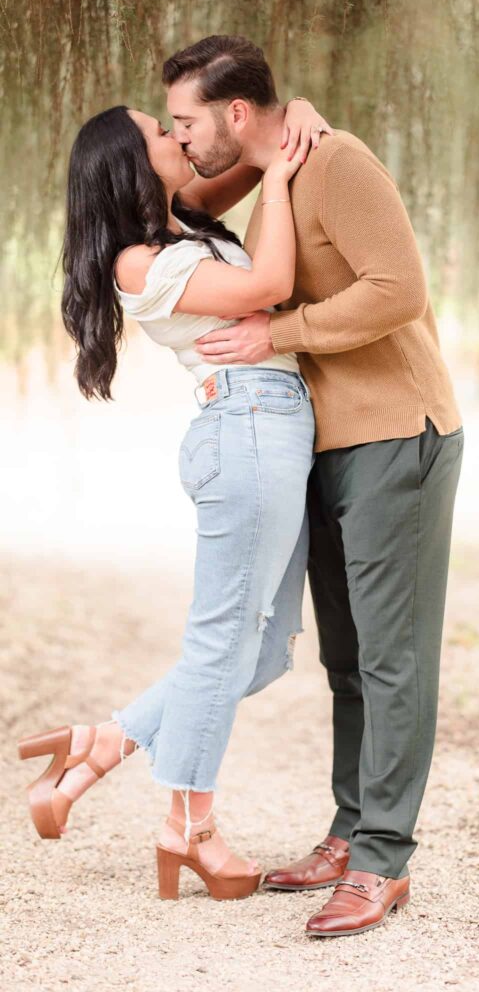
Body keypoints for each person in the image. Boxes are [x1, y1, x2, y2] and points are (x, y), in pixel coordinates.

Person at [166, 35, 466, 936]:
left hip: (394, 436)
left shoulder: (334, 162)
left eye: (187, 121)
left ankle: (382, 859)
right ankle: (349, 829)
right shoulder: (276, 177)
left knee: (390, 657)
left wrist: (280, 334)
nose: (181, 140)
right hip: (325, 448)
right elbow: (181, 196)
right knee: (346, 662)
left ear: (237, 113)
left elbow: (398, 289)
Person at [18, 79, 332, 901]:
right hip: (247, 425)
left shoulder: (182, 220)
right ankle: (188, 827)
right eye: (163, 130)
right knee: (224, 636)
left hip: (274, 427)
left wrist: (289, 119)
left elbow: (257, 154)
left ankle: (104, 743)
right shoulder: (138, 262)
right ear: (132, 164)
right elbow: (267, 285)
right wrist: (290, 179)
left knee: (260, 649)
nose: (177, 134)